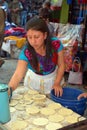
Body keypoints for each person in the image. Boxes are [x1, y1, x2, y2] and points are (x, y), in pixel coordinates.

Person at [8, 16, 65, 96]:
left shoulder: (55, 44)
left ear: (45, 35)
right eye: (29, 37)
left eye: (36, 37)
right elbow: (18, 75)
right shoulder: (26, 52)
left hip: (54, 79)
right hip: (33, 83)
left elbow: (61, 65)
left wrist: (57, 83)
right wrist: (8, 92)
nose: (33, 41)